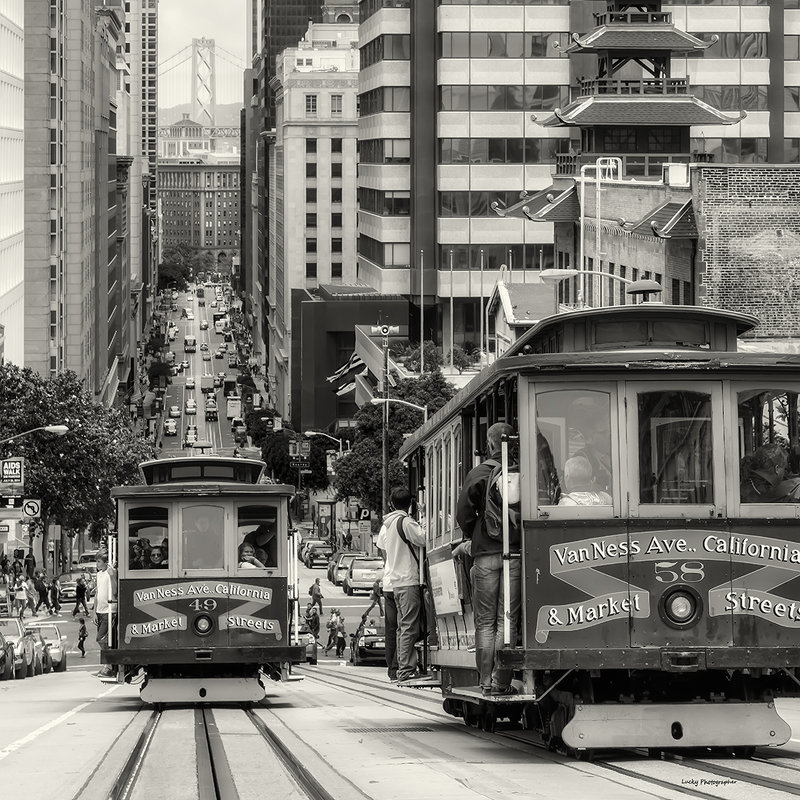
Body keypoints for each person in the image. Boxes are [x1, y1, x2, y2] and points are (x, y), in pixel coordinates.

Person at [455, 422, 521, 696]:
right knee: (508, 619)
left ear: (491, 444)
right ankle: (501, 681)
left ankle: (484, 680)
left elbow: (464, 513)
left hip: (485, 553)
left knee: (485, 621)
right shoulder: (521, 472)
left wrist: (478, 534)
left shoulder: (479, 472)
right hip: (515, 552)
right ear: (514, 443)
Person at [376, 486, 426, 683]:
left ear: (391, 503)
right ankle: (406, 669)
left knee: (402, 627)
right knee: (409, 626)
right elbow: (423, 538)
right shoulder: (405, 522)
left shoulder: (390, 524)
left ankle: (401, 667)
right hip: (408, 580)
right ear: (410, 504)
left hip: (396, 581)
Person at [94, 553, 117, 677]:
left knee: (101, 638)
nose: (96, 564)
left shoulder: (111, 573)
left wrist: (112, 576)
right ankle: (106, 665)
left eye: (98, 562)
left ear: (105, 562)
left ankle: (109, 665)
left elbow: (115, 590)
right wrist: (94, 612)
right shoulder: (98, 574)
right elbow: (97, 593)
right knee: (102, 639)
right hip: (100, 611)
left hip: (109, 610)